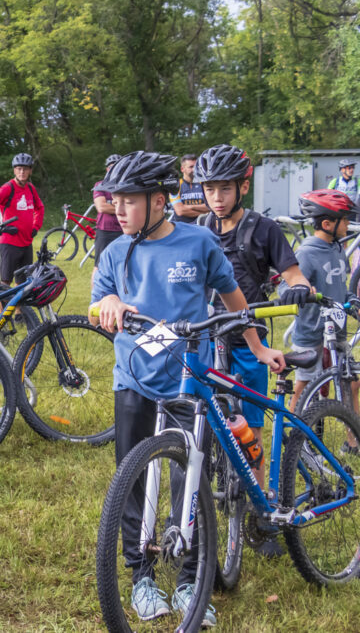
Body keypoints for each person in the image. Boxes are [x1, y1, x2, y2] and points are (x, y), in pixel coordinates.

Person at [89, 151, 284, 627]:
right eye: (115, 200)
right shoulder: (114, 250)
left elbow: (232, 296)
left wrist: (256, 346)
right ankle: (141, 576)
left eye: (129, 201)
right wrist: (108, 302)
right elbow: (97, 304)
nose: (118, 209)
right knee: (133, 480)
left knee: (188, 482)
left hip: (188, 382)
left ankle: (189, 580)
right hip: (134, 378)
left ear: (159, 201)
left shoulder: (198, 242)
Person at [196, 144, 310, 557]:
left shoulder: (264, 229)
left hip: (250, 339)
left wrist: (297, 286)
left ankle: (261, 517)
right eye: (209, 189)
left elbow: (293, 273)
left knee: (251, 432)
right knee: (202, 420)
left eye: (225, 189)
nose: (217, 198)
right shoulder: (198, 229)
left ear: (243, 187)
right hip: (206, 336)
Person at [289, 190, 360, 454]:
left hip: (337, 331)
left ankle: (353, 441)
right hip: (312, 332)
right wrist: (302, 292)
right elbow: (291, 287)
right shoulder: (306, 253)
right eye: (345, 220)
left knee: (350, 382)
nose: (348, 224)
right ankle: (293, 437)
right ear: (328, 224)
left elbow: (340, 286)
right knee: (305, 384)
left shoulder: (337, 249)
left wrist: (352, 300)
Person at [0, 152, 44, 284]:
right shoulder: (8, 188)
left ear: (30, 171)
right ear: (14, 170)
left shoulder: (30, 188)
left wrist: (36, 226)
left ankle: (19, 299)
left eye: (25, 169)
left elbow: (40, 207)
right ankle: (3, 300)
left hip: (26, 243)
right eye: (19, 169)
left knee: (24, 283)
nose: (22, 172)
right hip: (10, 243)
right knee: (5, 282)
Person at [92, 154, 124, 264]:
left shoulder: (126, 186)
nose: (114, 169)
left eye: (117, 166)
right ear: (107, 169)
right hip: (105, 231)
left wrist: (111, 206)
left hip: (124, 230)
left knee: (124, 264)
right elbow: (101, 207)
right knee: (99, 265)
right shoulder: (100, 185)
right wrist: (124, 209)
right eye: (111, 167)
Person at [169, 153, 208, 223]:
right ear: (182, 169)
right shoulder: (175, 185)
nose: (194, 169)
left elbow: (210, 206)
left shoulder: (204, 184)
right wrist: (204, 212)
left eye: (196, 167)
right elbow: (180, 211)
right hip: (181, 226)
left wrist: (190, 207)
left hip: (201, 225)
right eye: (191, 167)